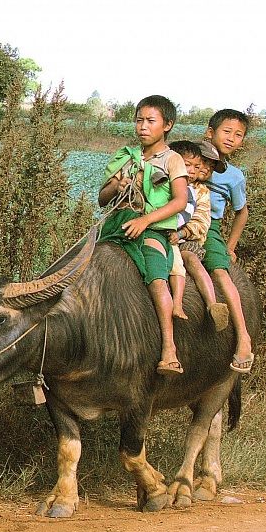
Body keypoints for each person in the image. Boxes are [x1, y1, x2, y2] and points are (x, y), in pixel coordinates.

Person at [97, 95, 189, 375]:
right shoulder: (126, 158)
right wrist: (118, 185)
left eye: (150, 121)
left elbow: (180, 201)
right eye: (139, 120)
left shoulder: (173, 160)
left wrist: (146, 219)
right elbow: (102, 199)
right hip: (117, 225)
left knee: (157, 278)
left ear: (167, 125)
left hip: (152, 229)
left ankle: (169, 349)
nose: (143, 127)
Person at [202, 109, 254, 373]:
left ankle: (243, 337)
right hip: (174, 221)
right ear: (209, 133)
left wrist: (230, 246)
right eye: (227, 131)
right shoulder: (188, 158)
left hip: (206, 228)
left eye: (239, 135)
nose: (232, 138)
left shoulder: (234, 176)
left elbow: (241, 211)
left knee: (221, 272)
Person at [166, 139, 229, 331]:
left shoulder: (201, 192)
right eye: (188, 166)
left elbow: (202, 221)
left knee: (191, 260)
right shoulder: (165, 184)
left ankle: (212, 304)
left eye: (197, 167)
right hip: (162, 234)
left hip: (187, 240)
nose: (192, 171)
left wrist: (183, 232)